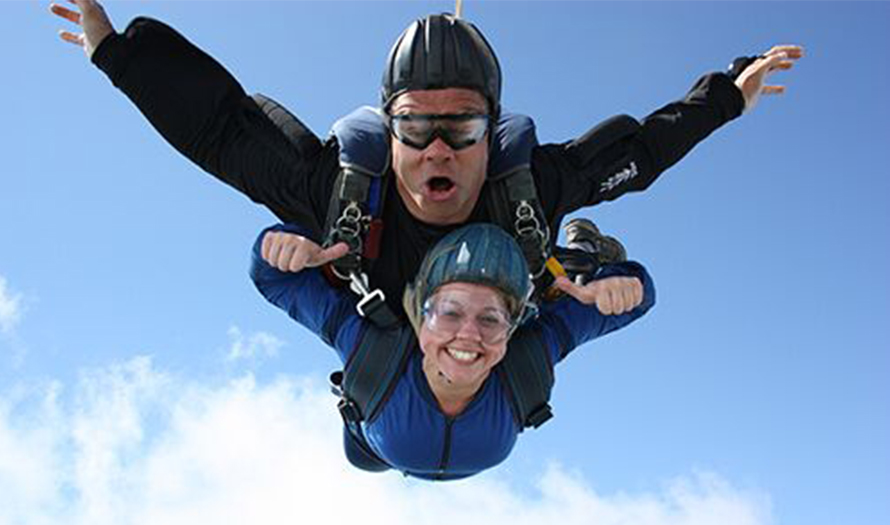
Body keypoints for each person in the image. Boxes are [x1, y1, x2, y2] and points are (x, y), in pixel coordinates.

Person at [50, 1, 803, 313]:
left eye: (463, 128)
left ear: (492, 129)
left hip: (498, 324)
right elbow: (219, 128)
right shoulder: (340, 191)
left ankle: (576, 260)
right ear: (389, 127)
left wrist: (727, 97)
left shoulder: (529, 188)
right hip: (389, 325)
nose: (438, 148)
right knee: (373, 444)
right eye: (415, 128)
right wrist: (117, 53)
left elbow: (641, 150)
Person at [251, 222, 654, 479]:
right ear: (420, 318)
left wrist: (623, 284)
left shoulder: (372, 351)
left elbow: (274, 279)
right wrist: (280, 243)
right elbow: (636, 302)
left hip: (379, 441)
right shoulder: (373, 347)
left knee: (565, 294)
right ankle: (579, 262)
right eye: (449, 313)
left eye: (491, 319)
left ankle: (579, 262)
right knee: (363, 461)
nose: (468, 335)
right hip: (371, 453)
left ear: (509, 330)